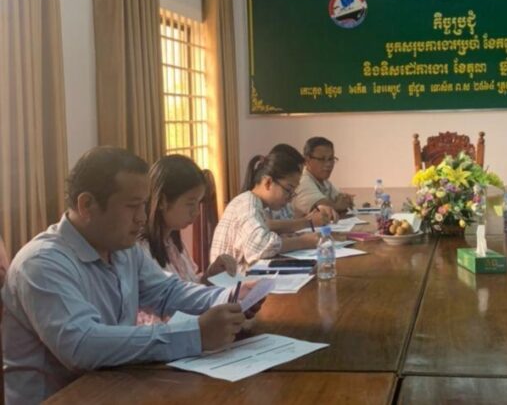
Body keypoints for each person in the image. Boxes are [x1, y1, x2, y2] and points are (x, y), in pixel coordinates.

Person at [2, 147, 248, 404]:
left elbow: (167, 291)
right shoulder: (41, 263)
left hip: (115, 389)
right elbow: (82, 345)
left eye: (144, 205)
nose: (142, 218)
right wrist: (194, 334)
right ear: (86, 205)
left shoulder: (122, 249)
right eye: (132, 206)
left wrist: (229, 297)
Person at [136, 155, 243, 324]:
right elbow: (156, 314)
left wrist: (210, 275)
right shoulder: (141, 251)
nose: (196, 212)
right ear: (163, 201)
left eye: (198, 203)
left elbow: (189, 288)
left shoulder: (173, 242)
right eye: (190, 203)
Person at [210, 144, 319, 273]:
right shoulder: (247, 204)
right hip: (230, 282)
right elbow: (260, 246)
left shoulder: (258, 204)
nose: (290, 198)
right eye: (288, 190)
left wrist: (295, 237)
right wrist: (303, 241)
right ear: (268, 182)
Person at [258, 144, 337, 232]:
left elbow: (295, 217)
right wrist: (308, 222)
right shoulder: (257, 203)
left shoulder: (284, 198)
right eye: (297, 171)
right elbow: (264, 225)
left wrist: (316, 213)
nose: (300, 176)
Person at [293, 137, 354, 216]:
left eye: (330, 159)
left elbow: (343, 198)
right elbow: (325, 209)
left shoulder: (323, 181)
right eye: (322, 159)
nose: (328, 164)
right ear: (307, 160)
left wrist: (343, 201)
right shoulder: (302, 180)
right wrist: (337, 206)